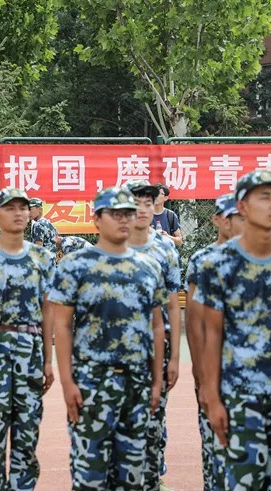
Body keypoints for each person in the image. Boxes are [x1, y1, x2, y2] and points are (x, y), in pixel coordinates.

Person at [193, 170, 271, 489]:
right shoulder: (218, 263)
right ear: (242, 207)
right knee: (242, 482)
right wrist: (212, 396)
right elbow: (211, 335)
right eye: (264, 197)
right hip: (238, 395)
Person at [47, 186, 166, 489]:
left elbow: (156, 326)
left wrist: (155, 382)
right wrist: (68, 382)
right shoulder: (76, 266)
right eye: (115, 214)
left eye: (128, 213)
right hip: (91, 382)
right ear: (97, 219)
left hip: (136, 383)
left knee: (133, 475)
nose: (124, 219)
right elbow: (61, 326)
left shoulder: (149, 266)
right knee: (90, 475)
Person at [0, 187, 56, 490]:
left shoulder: (42, 257)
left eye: (23, 207)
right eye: (10, 208)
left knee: (27, 433)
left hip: (30, 352)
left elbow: (47, 310)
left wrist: (48, 361)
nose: (19, 213)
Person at [125, 180, 183, 489]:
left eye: (148, 203)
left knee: (153, 415)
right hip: (118, 350)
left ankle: (152, 476)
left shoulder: (164, 248)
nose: (143, 209)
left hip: (156, 347)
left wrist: (174, 357)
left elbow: (173, 305)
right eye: (136, 203)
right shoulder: (112, 245)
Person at [184, 193, 243, 491]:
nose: (235, 223)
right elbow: (194, 322)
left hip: (251, 371)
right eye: (229, 216)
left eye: (241, 216)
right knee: (214, 446)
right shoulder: (203, 260)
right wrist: (200, 374)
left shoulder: (260, 258)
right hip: (214, 368)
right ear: (217, 219)